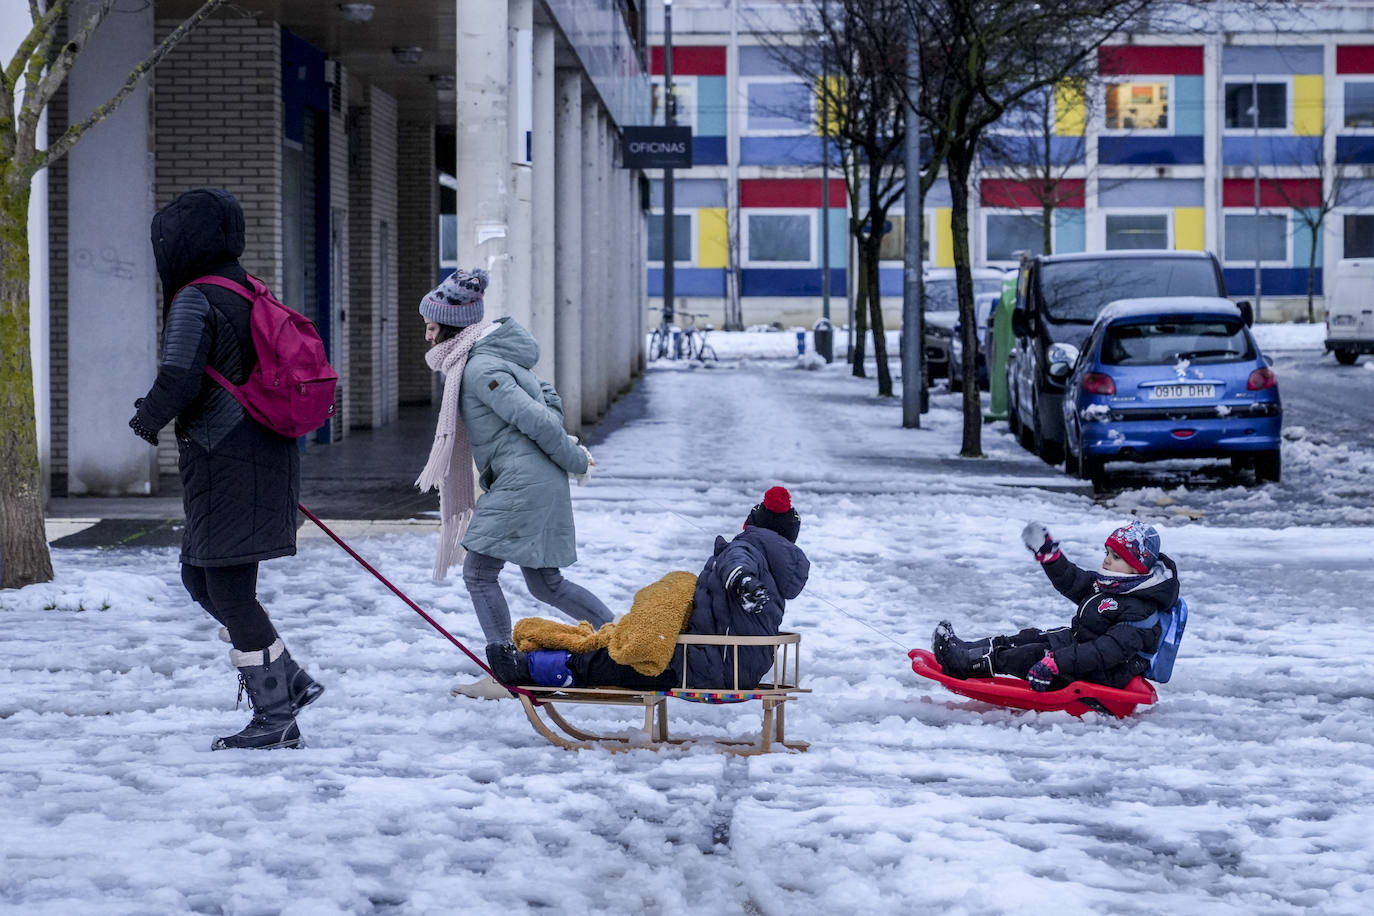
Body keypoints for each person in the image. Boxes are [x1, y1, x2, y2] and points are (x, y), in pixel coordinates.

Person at [128, 188, 321, 751]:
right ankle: (288, 679)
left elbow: (180, 376)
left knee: (230, 589)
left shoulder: (196, 298)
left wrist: (147, 420)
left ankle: (275, 715)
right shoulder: (246, 288)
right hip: (256, 452)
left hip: (228, 457)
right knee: (200, 576)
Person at [416, 268, 612, 655]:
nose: (427, 336)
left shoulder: (479, 368)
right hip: (531, 478)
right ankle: (621, 638)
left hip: (521, 483)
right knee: (546, 584)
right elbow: (546, 398)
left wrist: (574, 457)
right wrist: (558, 437)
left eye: (432, 327)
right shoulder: (491, 359)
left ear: (453, 327)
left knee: (478, 574)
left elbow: (537, 416)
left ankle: (503, 662)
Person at [486, 487, 811, 691]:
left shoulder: (747, 550)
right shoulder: (773, 564)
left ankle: (528, 669)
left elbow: (734, 566)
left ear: (753, 526)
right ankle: (545, 656)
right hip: (734, 664)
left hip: (706, 666)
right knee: (619, 649)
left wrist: (742, 584)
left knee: (612, 663)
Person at [932, 520, 1178, 691]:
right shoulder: (1116, 584)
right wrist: (1051, 557)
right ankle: (964, 650)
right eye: (1107, 552)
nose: (1106, 560)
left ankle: (965, 665)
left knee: (1029, 654)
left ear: (1137, 566)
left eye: (1116, 557)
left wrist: (1057, 662)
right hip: (1079, 649)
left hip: (1103, 672)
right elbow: (1074, 581)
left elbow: (1106, 651)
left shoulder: (1140, 609)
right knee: (1027, 637)